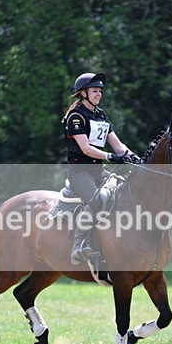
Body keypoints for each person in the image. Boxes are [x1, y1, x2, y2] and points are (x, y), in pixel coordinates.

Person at [62, 72, 140, 265]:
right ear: (83, 93)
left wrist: (135, 157)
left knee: (121, 194)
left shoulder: (101, 115)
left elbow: (118, 144)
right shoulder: (76, 116)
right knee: (97, 200)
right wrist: (111, 157)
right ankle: (79, 244)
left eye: (100, 91)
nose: (99, 94)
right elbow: (86, 148)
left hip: (98, 171)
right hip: (80, 171)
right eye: (95, 90)